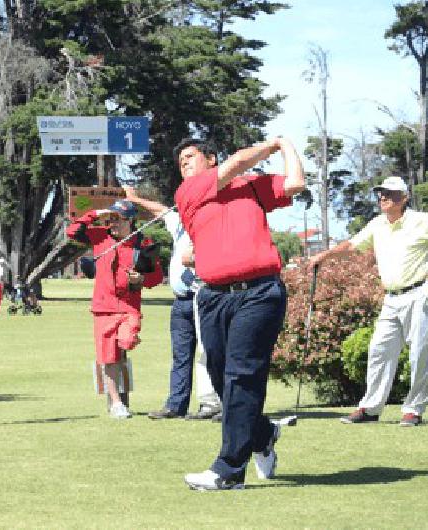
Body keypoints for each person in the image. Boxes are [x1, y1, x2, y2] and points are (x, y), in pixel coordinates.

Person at [173, 137, 305, 491]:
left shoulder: (251, 188)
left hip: (259, 293)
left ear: (211, 158)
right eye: (180, 161)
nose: (184, 164)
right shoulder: (190, 193)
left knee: (241, 376)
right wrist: (273, 143)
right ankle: (262, 434)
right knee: (221, 379)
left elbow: (295, 183)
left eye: (191, 157)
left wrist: (288, 147)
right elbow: (237, 165)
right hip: (215, 297)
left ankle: (229, 469)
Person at [308, 176, 428, 427]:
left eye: (389, 194)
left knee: (420, 354)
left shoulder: (420, 221)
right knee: (379, 351)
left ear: (404, 198)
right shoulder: (377, 224)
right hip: (391, 298)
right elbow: (352, 245)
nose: (383, 198)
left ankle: (413, 410)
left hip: (421, 293)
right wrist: (324, 256)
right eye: (380, 194)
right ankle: (370, 408)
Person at [122, 186, 221, 421]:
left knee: (207, 351)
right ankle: (176, 404)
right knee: (181, 355)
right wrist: (134, 199)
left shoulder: (210, 223)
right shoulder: (178, 223)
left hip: (203, 295)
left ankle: (211, 403)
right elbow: (161, 210)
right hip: (180, 300)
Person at [66, 199, 163, 419]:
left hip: (129, 308)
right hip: (103, 308)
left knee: (126, 342)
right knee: (108, 358)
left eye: (118, 219)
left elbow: (156, 277)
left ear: (130, 220)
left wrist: (142, 278)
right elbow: (72, 231)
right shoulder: (100, 235)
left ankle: (121, 392)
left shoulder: (143, 242)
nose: (113, 223)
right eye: (111, 219)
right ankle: (116, 403)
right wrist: (95, 212)